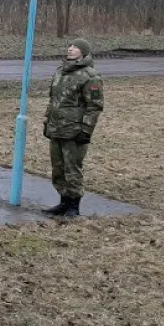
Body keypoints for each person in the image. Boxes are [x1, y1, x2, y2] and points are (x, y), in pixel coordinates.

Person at [42, 39, 104, 218]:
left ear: (83, 52)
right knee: (58, 168)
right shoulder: (60, 72)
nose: (70, 49)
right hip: (57, 128)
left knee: (72, 168)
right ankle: (63, 202)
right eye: (70, 46)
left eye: (75, 47)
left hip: (74, 130)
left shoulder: (90, 76)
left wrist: (86, 130)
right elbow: (53, 101)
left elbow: (94, 105)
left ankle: (74, 206)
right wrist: (47, 122)